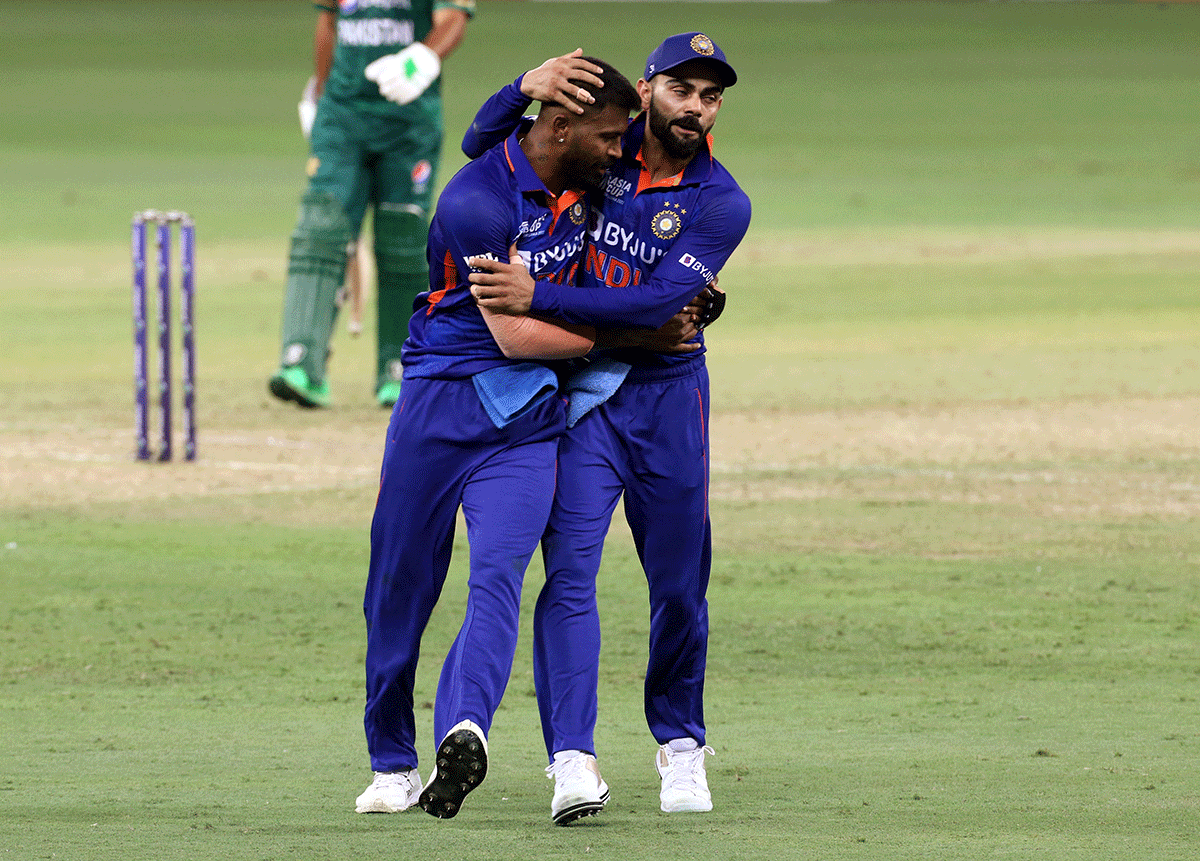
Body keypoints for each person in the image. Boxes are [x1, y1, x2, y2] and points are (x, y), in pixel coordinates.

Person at [464, 33, 751, 822]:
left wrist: (537, 298)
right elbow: (480, 149)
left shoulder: (721, 200)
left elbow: (658, 309)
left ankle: (681, 745)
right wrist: (519, 85)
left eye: (712, 96)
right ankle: (572, 760)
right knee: (571, 577)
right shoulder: (604, 147)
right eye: (683, 89)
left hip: (668, 404)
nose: (695, 107)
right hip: (585, 397)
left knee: (680, 584)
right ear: (651, 86)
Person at [355, 59, 643, 819]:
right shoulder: (476, 201)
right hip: (440, 404)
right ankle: (390, 762)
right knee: (398, 589)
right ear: (557, 128)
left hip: (524, 422)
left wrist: (630, 95)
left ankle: (465, 726)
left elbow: (658, 152)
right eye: (608, 138)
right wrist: (629, 330)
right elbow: (514, 336)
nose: (620, 152)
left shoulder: (594, 176)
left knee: (499, 577)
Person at [269, 0, 473, 410]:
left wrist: (422, 58)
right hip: (342, 116)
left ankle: (399, 368)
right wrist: (320, 95)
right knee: (319, 229)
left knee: (403, 238)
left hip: (408, 119)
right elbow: (328, 22)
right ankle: (301, 362)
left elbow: (453, 17)